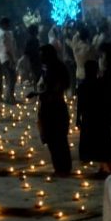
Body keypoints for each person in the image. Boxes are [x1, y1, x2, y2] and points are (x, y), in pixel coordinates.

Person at [31, 44, 71, 176]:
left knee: (58, 138)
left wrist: (41, 94)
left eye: (43, 55)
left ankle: (63, 167)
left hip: (55, 107)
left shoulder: (57, 68)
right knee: (51, 138)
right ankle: (59, 167)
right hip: (48, 106)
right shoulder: (46, 68)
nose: (40, 58)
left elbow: (59, 87)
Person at [76, 60, 110, 168]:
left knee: (88, 135)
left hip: (90, 114)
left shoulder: (84, 85)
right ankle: (95, 155)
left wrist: (78, 118)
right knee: (96, 136)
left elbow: (80, 104)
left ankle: (88, 156)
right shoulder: (101, 84)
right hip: (97, 115)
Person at [0, 18, 18, 104]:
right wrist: (12, 59)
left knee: (11, 78)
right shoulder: (3, 34)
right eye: (8, 24)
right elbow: (6, 48)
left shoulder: (2, 33)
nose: (9, 25)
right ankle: (9, 98)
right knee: (11, 78)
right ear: (4, 24)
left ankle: (10, 96)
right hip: (7, 58)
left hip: (6, 58)